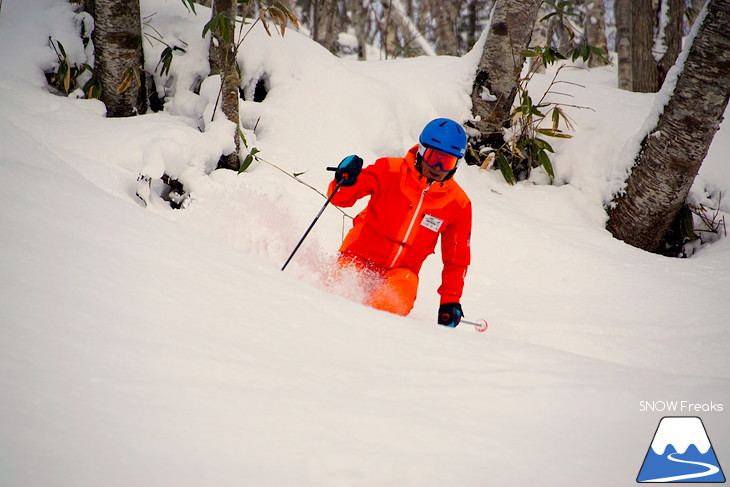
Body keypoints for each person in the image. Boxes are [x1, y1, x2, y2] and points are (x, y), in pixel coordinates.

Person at [328, 118, 472, 327]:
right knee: (340, 292)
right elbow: (340, 198)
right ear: (422, 151)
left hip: (401, 273)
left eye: (447, 161)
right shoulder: (389, 170)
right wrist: (345, 179)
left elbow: (456, 259)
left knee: (392, 306)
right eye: (433, 157)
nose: (438, 167)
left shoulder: (458, 204)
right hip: (358, 256)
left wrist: (450, 300)